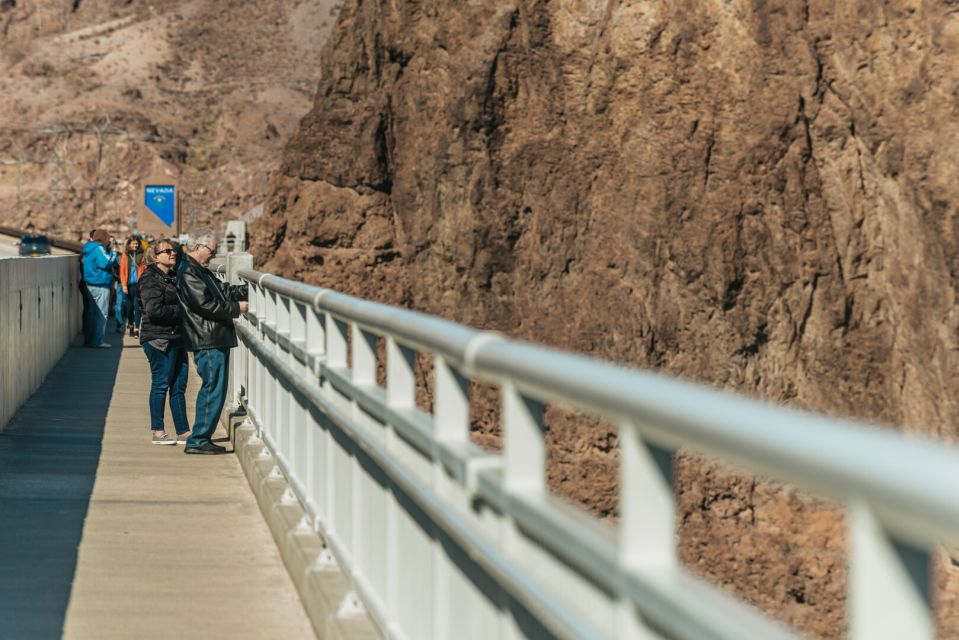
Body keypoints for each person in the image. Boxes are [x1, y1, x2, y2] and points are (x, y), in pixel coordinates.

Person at [176, 228, 248, 454]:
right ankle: (198, 440)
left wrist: (248, 290)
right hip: (207, 339)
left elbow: (222, 290)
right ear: (197, 247)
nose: (213, 256)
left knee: (215, 387)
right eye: (212, 251)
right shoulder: (189, 272)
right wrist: (238, 308)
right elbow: (205, 305)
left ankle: (201, 437)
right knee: (212, 388)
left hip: (213, 337)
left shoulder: (199, 270)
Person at [138, 239, 190, 445]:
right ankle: (158, 432)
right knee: (160, 385)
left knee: (178, 387)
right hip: (158, 339)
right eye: (167, 251)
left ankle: (184, 432)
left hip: (177, 337)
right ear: (154, 256)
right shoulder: (149, 278)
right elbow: (154, 311)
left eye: (174, 250)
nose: (172, 254)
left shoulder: (173, 276)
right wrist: (184, 312)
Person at [82, 229, 119, 348]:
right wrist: (114, 252)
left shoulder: (88, 248)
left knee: (92, 314)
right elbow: (106, 262)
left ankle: (90, 340)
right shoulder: (98, 248)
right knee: (101, 314)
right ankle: (98, 341)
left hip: (90, 283)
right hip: (100, 284)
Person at [118, 236, 147, 337]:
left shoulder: (142, 255)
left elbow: (144, 269)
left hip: (138, 285)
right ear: (129, 244)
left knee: (137, 307)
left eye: (136, 244)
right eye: (133, 244)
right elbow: (122, 271)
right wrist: (124, 285)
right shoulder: (125, 255)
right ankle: (130, 324)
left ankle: (136, 328)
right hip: (128, 285)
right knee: (129, 308)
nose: (135, 245)